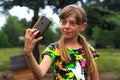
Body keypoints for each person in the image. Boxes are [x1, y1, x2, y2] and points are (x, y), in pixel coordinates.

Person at [24, 4, 99, 80]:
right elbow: (39, 74)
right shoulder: (54, 49)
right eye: (63, 22)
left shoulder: (89, 50)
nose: (66, 26)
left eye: (72, 23)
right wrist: (28, 53)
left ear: (82, 26)